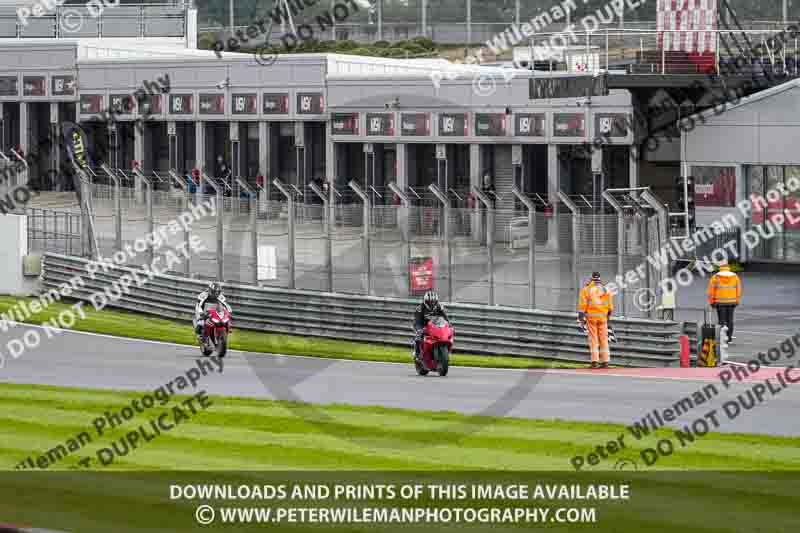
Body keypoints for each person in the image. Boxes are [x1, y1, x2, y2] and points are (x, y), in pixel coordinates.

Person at [578, 272, 614, 369]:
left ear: (591, 279)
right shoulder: (606, 289)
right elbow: (610, 306)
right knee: (604, 340)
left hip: (591, 318)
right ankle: (605, 361)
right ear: (600, 279)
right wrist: (608, 317)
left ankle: (594, 362)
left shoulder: (586, 290)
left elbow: (582, 307)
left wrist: (581, 318)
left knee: (593, 340)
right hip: (603, 318)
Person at [707, 260, 741, 343]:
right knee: (730, 320)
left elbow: (711, 291)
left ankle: (721, 338)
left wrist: (712, 302)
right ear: (728, 267)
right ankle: (729, 338)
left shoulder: (715, 277)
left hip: (719, 302)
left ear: (720, 267)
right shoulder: (735, 276)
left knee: (721, 320)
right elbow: (738, 289)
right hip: (732, 302)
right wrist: (737, 300)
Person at [413, 290, 449, 360]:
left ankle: (444, 352)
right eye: (429, 302)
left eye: (433, 302)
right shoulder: (420, 308)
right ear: (425, 301)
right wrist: (420, 329)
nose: (431, 304)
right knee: (418, 337)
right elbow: (417, 321)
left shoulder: (440, 307)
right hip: (422, 325)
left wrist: (448, 325)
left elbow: (445, 317)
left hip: (434, 325)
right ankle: (417, 353)